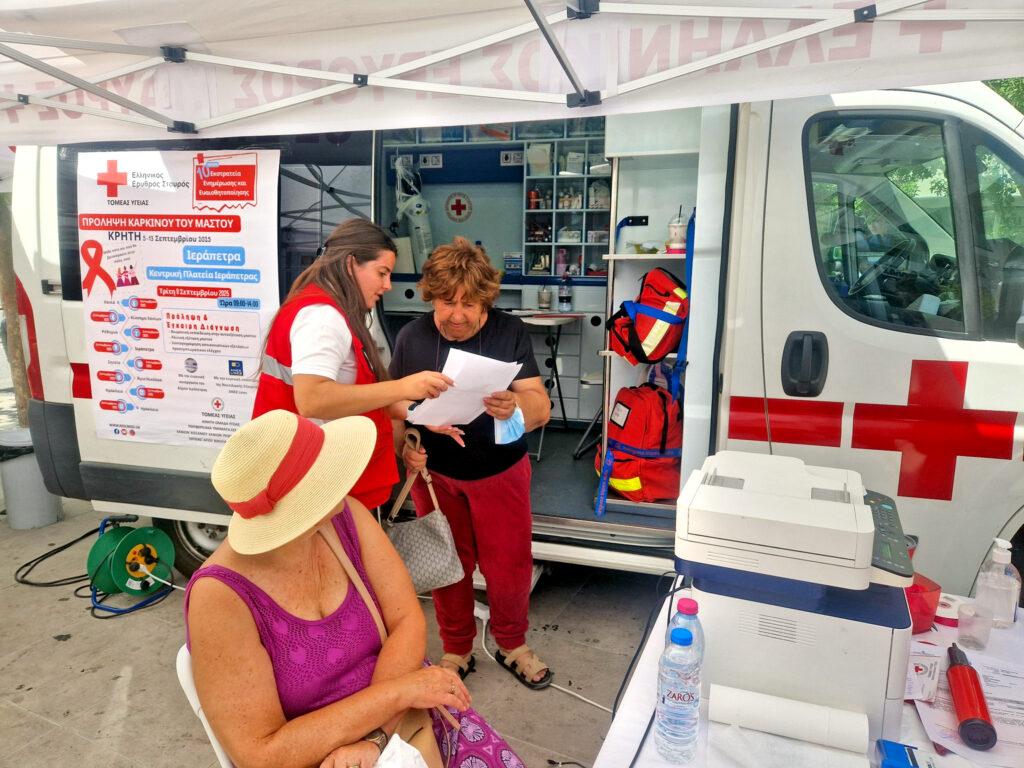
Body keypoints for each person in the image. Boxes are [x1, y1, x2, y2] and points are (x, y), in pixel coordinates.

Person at [185, 410, 525, 768]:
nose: (343, 480)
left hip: (403, 722)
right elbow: (261, 754)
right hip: (325, 754)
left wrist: (377, 736)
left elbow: (407, 620)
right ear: (298, 507)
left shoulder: (344, 516)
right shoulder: (220, 597)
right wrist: (396, 695)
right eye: (327, 475)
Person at [389, 237, 553, 690]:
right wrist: (406, 450)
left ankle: (511, 643)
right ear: (431, 296)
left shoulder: (508, 331)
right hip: (435, 476)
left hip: (500, 471)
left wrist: (515, 408)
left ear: (487, 302)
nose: (457, 315)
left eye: (469, 304)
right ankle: (457, 647)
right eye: (446, 302)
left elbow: (541, 404)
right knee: (447, 565)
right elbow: (395, 406)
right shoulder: (411, 338)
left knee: (509, 565)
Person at [252, 218, 454, 511]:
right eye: (382, 273)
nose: (387, 285)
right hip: (323, 485)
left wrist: (415, 410)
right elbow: (313, 399)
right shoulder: (324, 317)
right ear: (350, 264)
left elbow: (351, 397)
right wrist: (402, 387)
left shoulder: (320, 308)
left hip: (321, 481)